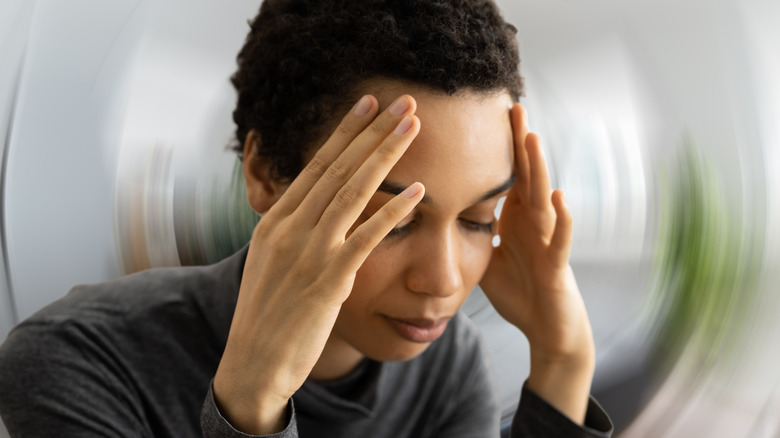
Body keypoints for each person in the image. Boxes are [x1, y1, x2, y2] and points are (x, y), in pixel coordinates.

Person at [0, 0, 613, 436]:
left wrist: (562, 359)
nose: (445, 280)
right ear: (265, 172)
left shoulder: (448, 370)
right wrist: (250, 403)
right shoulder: (77, 361)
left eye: (480, 219)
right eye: (391, 220)